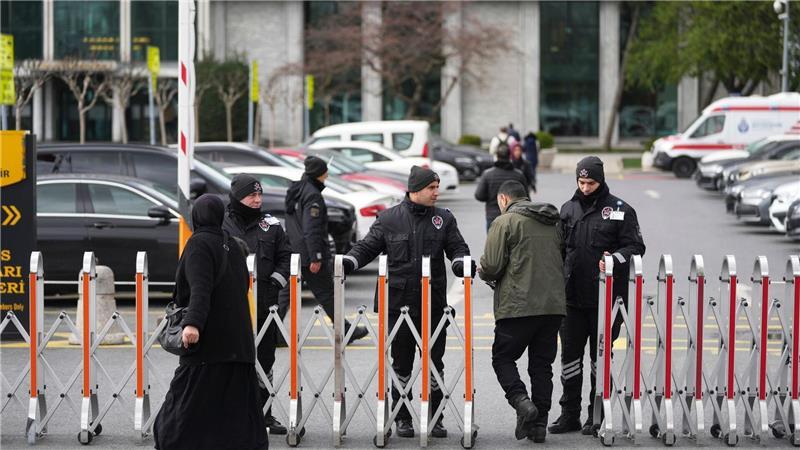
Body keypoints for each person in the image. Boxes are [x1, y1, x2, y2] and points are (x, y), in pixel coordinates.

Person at [341, 166, 473, 439]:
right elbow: (367, 247)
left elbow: (457, 247)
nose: (437, 192)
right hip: (398, 304)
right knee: (401, 362)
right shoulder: (389, 219)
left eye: (438, 187)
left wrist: (460, 263)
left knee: (434, 362)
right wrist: (349, 262)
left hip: (433, 303)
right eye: (431, 188)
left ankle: (435, 417)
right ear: (415, 190)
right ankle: (402, 417)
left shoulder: (444, 219)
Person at [154, 194, 268, 450]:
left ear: (196, 216)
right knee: (234, 408)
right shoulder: (233, 245)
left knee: (185, 403)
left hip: (209, 343)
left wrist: (192, 325)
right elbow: (241, 287)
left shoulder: (198, 245)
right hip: (238, 343)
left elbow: (200, 288)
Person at [548, 156, 646, 436]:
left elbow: (636, 247)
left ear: (600, 180)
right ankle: (569, 415)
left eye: (591, 182)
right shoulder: (567, 210)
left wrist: (615, 258)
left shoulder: (620, 210)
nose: (586, 187)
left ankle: (598, 415)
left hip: (607, 301)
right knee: (570, 359)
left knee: (599, 360)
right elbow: (558, 251)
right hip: (571, 299)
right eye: (581, 182)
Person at [479, 180, 566, 443]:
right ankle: (539, 425)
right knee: (542, 365)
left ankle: (521, 401)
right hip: (552, 306)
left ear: (504, 199)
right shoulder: (552, 221)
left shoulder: (504, 222)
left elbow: (492, 266)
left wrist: (483, 271)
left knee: (502, 358)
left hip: (518, 306)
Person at [222, 173, 291, 435]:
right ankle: (232, 415)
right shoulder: (222, 224)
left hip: (265, 305)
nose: (257, 200)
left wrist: (274, 282)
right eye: (252, 195)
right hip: (231, 306)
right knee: (231, 359)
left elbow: (286, 257)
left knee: (265, 360)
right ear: (238, 197)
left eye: (259, 195)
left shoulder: (271, 225)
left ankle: (264, 413)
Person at [281, 156, 368, 342]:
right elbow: (312, 228)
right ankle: (345, 331)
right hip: (308, 254)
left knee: (286, 293)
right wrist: (316, 256)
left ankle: (272, 331)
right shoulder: (312, 194)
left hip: (296, 251)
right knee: (327, 294)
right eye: (325, 170)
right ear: (321, 173)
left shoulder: (296, 190)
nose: (327, 173)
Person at [474, 144, 527, 230]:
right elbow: (526, 198)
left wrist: (491, 197)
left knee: (494, 242)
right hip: (515, 216)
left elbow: (479, 195)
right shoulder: (519, 175)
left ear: (497, 156)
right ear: (510, 156)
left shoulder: (488, 174)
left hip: (493, 215)